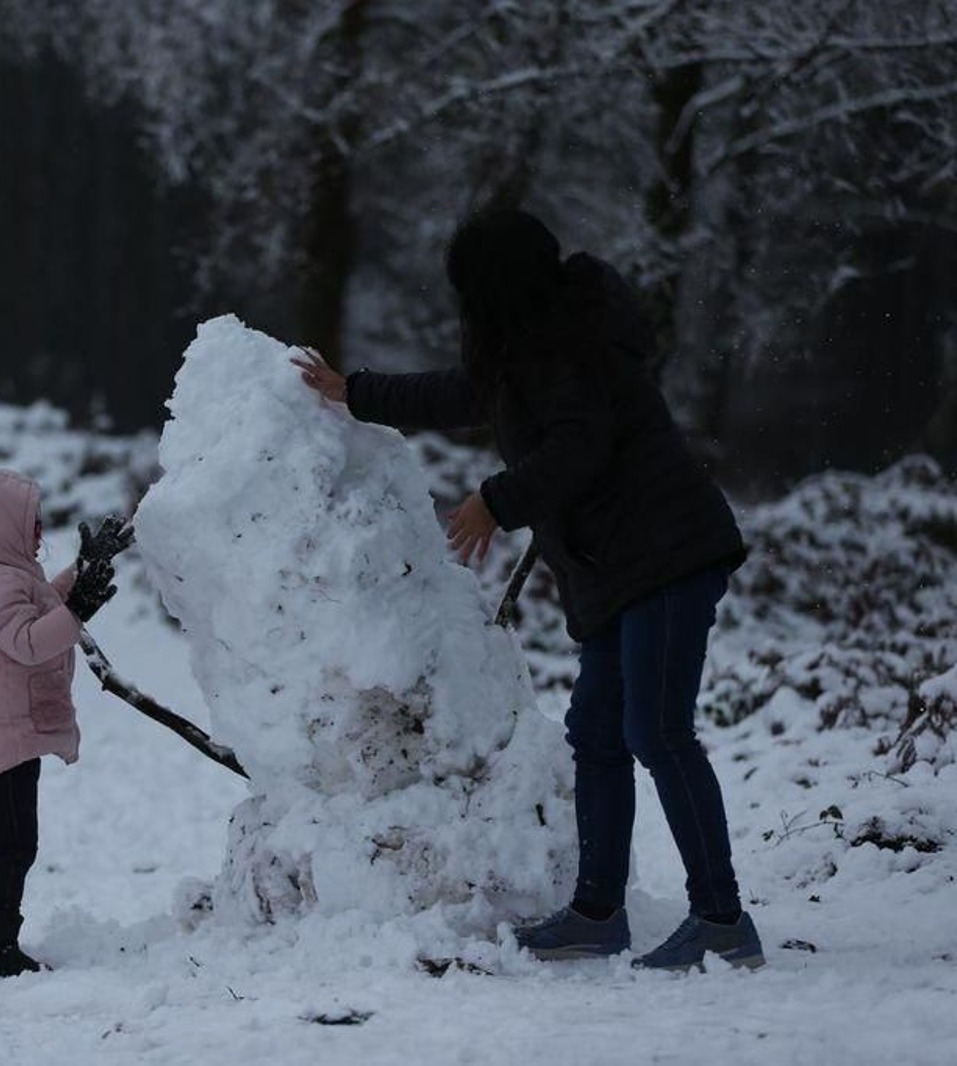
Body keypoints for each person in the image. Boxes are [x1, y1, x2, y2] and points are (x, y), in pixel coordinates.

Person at [291, 208, 764, 972]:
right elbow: (456, 394)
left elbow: (581, 445)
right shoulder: (527, 349)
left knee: (658, 731)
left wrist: (496, 501)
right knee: (600, 735)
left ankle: (721, 918)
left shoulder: (572, 345)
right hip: (616, 569)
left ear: (493, 286)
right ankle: (597, 912)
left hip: (668, 554)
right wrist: (356, 392)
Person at [0, 468, 132, 976]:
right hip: (2, 735)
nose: (39, 531)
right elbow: (28, 643)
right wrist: (82, 606)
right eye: (31, 522)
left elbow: (40, 607)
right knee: (14, 842)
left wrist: (85, 568)